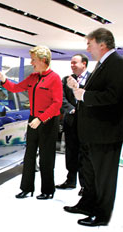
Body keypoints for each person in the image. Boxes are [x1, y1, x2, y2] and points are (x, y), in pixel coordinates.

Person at [65, 28, 123, 227]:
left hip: (106, 134)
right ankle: (87, 205)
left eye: (89, 44)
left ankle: (101, 215)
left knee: (104, 178)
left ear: (102, 43)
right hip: (92, 132)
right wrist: (78, 91)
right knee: (89, 173)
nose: (87, 48)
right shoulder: (103, 64)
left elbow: (114, 97)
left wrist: (84, 96)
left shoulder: (117, 63)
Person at [0, 45, 63, 200]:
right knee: (29, 155)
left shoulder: (55, 78)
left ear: (43, 60)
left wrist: (41, 119)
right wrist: (4, 80)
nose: (31, 63)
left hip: (48, 121)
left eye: (34, 60)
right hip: (33, 120)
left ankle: (48, 190)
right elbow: (16, 88)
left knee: (46, 158)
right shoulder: (32, 77)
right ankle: (26, 188)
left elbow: (57, 104)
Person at [56, 54, 90, 196]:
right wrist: (70, 108)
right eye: (71, 63)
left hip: (87, 123)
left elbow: (90, 95)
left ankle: (85, 185)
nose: (72, 65)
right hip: (70, 120)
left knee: (84, 154)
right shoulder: (66, 79)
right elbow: (61, 97)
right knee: (70, 152)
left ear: (84, 64)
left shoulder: (92, 79)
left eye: (75, 63)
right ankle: (70, 181)